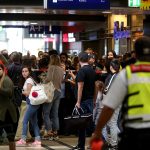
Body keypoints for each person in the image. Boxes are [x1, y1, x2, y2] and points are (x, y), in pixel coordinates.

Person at [90, 36, 150, 150]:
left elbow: (109, 107)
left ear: (135, 54)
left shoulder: (127, 74)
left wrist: (97, 132)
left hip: (135, 133)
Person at [73, 52, 96, 150]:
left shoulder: (82, 71)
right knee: (89, 123)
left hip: (83, 101)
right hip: (90, 100)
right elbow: (95, 86)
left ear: (79, 59)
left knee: (83, 124)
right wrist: (94, 99)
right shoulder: (92, 70)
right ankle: (81, 145)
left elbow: (80, 86)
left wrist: (78, 101)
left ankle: (81, 145)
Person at [16, 66, 41, 147]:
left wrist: (22, 91)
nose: (24, 73)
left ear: (29, 72)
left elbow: (28, 93)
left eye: (26, 71)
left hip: (32, 103)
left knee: (25, 121)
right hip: (34, 103)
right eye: (23, 71)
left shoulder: (29, 80)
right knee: (34, 122)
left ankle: (23, 139)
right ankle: (37, 140)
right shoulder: (30, 79)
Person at [42, 54, 64, 140]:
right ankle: (55, 133)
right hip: (58, 91)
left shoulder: (51, 67)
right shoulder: (61, 69)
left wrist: (43, 81)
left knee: (46, 112)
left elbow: (49, 78)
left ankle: (49, 132)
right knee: (55, 113)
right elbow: (61, 80)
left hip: (51, 91)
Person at [0, 63, 17, 150]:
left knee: (11, 136)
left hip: (7, 113)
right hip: (3, 112)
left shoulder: (6, 80)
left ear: (3, 70)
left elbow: (9, 92)